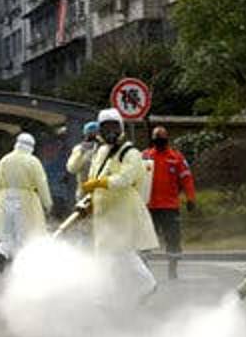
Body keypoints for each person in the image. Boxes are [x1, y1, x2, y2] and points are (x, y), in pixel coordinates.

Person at [81, 109, 158, 299]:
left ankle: (145, 285)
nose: (110, 132)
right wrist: (90, 199)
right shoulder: (101, 151)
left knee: (121, 250)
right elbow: (94, 176)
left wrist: (100, 183)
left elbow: (125, 178)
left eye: (114, 127)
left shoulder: (130, 152)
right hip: (104, 209)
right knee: (109, 253)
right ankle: (112, 294)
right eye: (105, 127)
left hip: (122, 208)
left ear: (121, 128)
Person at [0, 132, 53, 271]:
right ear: (31, 146)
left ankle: (1, 252)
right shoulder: (32, 161)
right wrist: (47, 203)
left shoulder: (4, 160)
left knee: (8, 232)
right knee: (23, 234)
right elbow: (41, 183)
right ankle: (19, 265)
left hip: (5, 198)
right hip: (25, 200)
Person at [143, 126, 197, 280]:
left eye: (162, 138)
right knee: (145, 240)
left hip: (170, 206)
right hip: (149, 206)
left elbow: (186, 178)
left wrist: (191, 198)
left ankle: (172, 270)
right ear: (153, 140)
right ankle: (144, 271)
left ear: (167, 139)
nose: (159, 141)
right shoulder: (145, 156)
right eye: (157, 138)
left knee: (173, 239)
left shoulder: (176, 157)